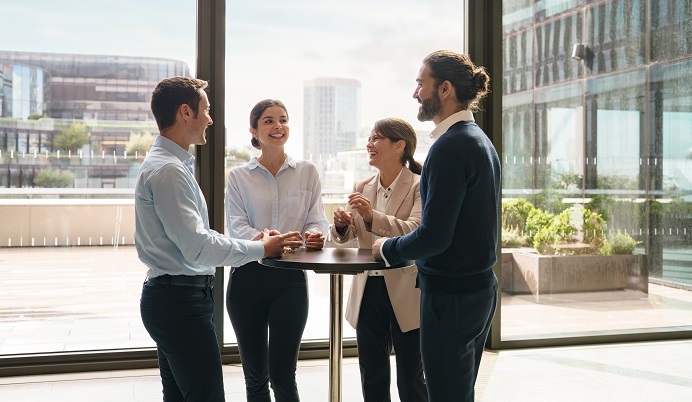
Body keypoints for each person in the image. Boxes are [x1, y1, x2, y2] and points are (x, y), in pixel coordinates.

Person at [136, 77, 303, 402]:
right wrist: (262, 247)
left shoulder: (171, 165)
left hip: (173, 297)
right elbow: (198, 247)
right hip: (179, 302)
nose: (210, 119)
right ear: (186, 112)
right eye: (206, 110)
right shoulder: (169, 171)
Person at [372, 50, 501, 402]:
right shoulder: (480, 141)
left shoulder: (449, 146)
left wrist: (387, 248)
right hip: (480, 291)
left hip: (450, 298)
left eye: (420, 84)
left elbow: (435, 237)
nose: (415, 93)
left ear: (444, 89)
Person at [225, 99, 329, 402]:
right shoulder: (238, 176)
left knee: (283, 374)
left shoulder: (307, 171)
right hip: (247, 279)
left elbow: (317, 218)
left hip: (290, 280)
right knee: (255, 376)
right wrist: (265, 239)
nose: (277, 126)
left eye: (282, 119)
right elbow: (237, 227)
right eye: (268, 121)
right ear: (253, 130)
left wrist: (314, 234)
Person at [330, 118, 427, 402]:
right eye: (369, 138)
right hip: (367, 290)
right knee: (371, 374)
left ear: (400, 146)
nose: (369, 144)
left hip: (407, 291)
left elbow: (417, 231)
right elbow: (345, 239)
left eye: (377, 139)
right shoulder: (362, 185)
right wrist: (340, 226)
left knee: (410, 376)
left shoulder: (418, 186)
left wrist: (374, 217)